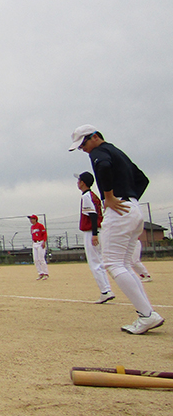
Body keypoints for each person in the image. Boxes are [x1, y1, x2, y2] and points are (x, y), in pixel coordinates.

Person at [70, 124, 163, 334]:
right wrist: (131, 200)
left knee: (112, 263)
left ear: (95, 137)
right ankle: (147, 313)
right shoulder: (117, 151)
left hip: (119, 209)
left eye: (83, 144)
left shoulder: (99, 152)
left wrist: (110, 196)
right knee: (125, 264)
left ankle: (147, 315)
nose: (83, 149)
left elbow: (103, 167)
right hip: (132, 208)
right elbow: (142, 179)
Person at [75, 172, 114, 304]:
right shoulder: (93, 195)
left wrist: (94, 234)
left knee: (94, 262)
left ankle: (105, 291)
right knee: (99, 261)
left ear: (83, 183)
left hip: (92, 231)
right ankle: (107, 289)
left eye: (79, 180)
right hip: (97, 230)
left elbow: (92, 215)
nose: (77, 183)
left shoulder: (86, 196)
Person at [28, 215, 49, 280]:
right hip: (35, 243)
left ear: (35, 219)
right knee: (36, 259)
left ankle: (46, 273)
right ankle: (40, 273)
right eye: (30, 219)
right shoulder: (32, 227)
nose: (31, 220)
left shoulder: (40, 226)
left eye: (32, 219)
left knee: (41, 259)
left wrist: (44, 242)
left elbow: (44, 234)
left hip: (40, 243)